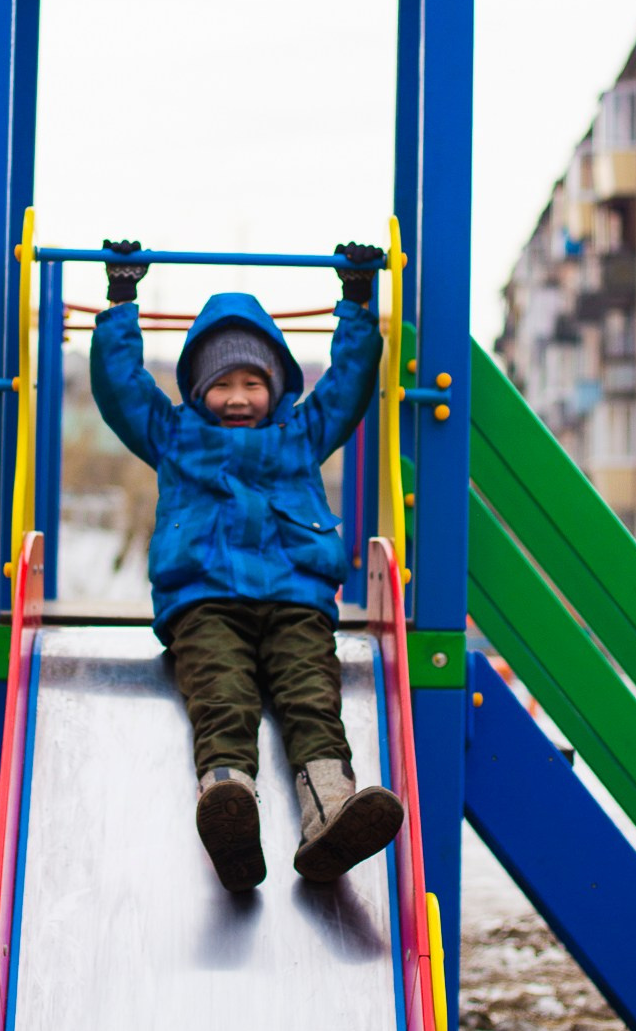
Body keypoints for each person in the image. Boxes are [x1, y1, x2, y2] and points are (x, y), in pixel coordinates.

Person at [90, 239, 403, 892]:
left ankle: (330, 814)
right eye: (221, 384)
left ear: (276, 385)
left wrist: (356, 301)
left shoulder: (302, 434)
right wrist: (121, 300)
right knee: (220, 695)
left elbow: (347, 385)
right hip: (204, 600)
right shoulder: (174, 435)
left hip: (295, 599)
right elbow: (122, 390)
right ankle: (227, 802)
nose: (237, 397)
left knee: (310, 696)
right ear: (197, 389)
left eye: (252, 383)